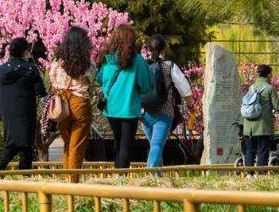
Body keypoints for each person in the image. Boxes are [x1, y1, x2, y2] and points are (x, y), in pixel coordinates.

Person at [96, 24, 152, 169]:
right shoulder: (137, 60)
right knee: (126, 144)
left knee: (118, 140)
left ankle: (117, 173)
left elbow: (100, 78)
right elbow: (146, 85)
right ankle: (121, 178)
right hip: (129, 107)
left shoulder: (108, 58)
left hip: (111, 107)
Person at [0, 37, 47, 171]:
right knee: (24, 142)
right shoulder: (30, 68)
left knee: (17, 142)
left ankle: (25, 173)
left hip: (7, 111)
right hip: (25, 110)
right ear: (25, 51)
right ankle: (0, 167)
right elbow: (40, 91)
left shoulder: (0, 70)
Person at [48, 27, 93, 182]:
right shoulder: (83, 61)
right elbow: (89, 79)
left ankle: (67, 178)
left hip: (62, 104)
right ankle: (73, 182)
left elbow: (52, 81)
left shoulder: (56, 61)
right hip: (79, 102)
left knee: (68, 143)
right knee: (77, 144)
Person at [141, 34, 193, 168]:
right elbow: (185, 88)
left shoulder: (142, 66)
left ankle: (157, 177)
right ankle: (151, 175)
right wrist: (191, 104)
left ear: (148, 49)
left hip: (146, 113)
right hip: (165, 113)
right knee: (157, 145)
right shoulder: (170, 66)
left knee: (154, 146)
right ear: (163, 50)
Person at [241, 64, 279, 168]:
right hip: (263, 126)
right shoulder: (270, 88)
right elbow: (277, 107)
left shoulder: (251, 87)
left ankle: (249, 174)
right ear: (269, 74)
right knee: (262, 150)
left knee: (249, 150)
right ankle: (261, 173)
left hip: (249, 126)